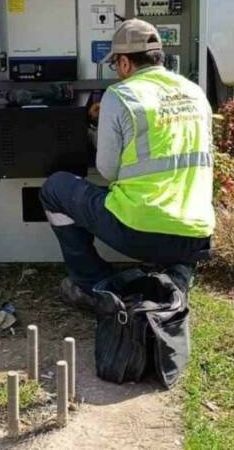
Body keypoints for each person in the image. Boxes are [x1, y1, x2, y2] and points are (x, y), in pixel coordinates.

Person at [39, 19, 214, 310]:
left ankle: (93, 284)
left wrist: (97, 130)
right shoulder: (194, 92)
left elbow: (108, 170)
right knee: (179, 218)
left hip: (139, 230)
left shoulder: (121, 95)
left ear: (123, 62)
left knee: (55, 188)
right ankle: (177, 279)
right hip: (196, 236)